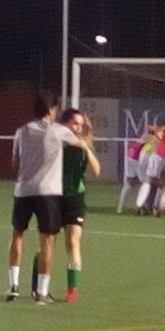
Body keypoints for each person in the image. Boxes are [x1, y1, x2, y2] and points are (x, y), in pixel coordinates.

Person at [7, 90, 92, 304]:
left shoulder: (21, 131)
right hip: (47, 193)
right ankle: (42, 292)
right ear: (51, 109)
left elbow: (14, 162)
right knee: (47, 240)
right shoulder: (58, 131)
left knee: (18, 234)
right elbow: (81, 143)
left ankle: (13, 285)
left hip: (23, 190)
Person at [57, 108, 101, 302]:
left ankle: (72, 290)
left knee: (73, 241)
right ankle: (38, 283)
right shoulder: (56, 142)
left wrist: (85, 148)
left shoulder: (83, 145)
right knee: (48, 242)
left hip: (76, 197)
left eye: (81, 124)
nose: (78, 127)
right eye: (75, 123)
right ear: (65, 123)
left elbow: (97, 170)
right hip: (55, 196)